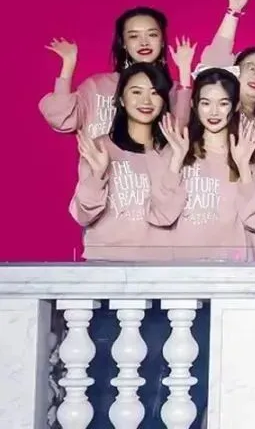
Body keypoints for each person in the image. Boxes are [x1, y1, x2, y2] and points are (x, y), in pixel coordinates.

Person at [68, 62, 178, 429]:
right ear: (121, 99)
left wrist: (173, 163)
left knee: (155, 377)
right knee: (101, 377)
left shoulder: (171, 150)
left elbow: (166, 216)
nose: (146, 100)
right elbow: (82, 213)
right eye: (136, 91)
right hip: (106, 273)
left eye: (154, 92)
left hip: (158, 277)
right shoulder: (100, 147)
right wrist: (98, 173)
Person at [148, 68, 255, 262]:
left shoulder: (253, 153)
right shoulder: (176, 149)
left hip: (236, 270)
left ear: (236, 106)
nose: (214, 112)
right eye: (206, 103)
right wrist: (176, 161)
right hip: (184, 271)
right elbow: (160, 216)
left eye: (223, 103)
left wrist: (244, 168)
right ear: (193, 104)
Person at [40, 6, 194, 138]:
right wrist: (68, 64)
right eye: (133, 36)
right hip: (98, 165)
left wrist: (185, 71)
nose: (144, 42)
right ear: (124, 43)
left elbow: (180, 135)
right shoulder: (97, 86)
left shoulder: (175, 90)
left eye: (152, 34)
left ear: (162, 41)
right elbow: (61, 119)